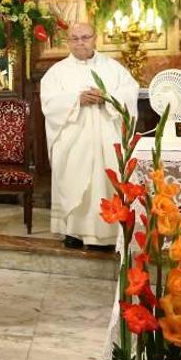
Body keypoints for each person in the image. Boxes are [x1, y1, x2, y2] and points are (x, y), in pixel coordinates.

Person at [40, 22, 139, 250]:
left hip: (107, 139)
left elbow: (129, 92)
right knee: (74, 182)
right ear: (68, 42)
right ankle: (73, 231)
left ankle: (108, 233)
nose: (80, 42)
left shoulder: (113, 68)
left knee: (106, 182)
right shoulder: (57, 72)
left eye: (85, 37)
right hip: (73, 142)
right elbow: (49, 103)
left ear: (95, 38)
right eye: (74, 38)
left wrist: (108, 97)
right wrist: (77, 100)